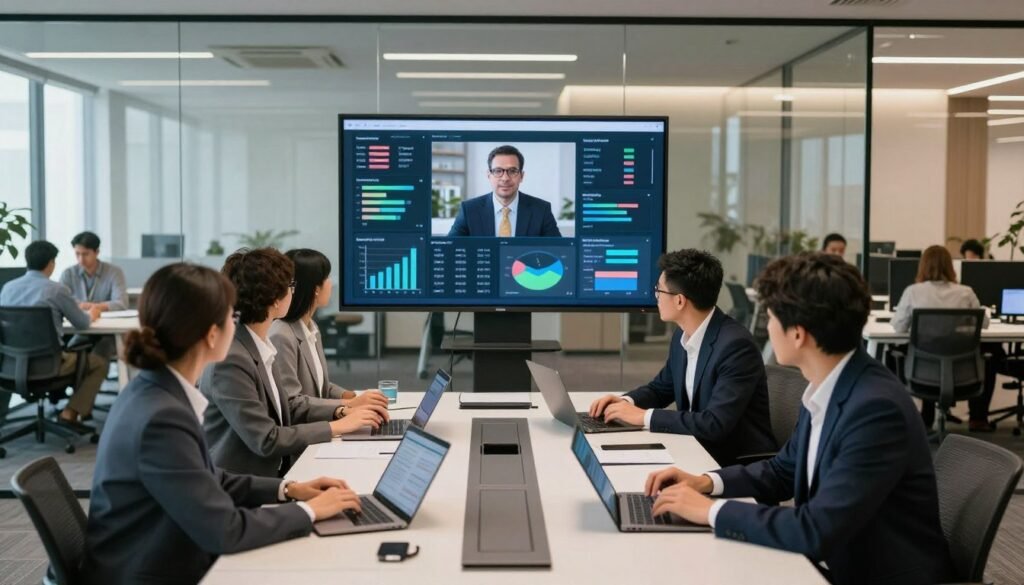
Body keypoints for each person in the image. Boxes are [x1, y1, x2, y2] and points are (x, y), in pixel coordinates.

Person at [643, 253, 955, 585]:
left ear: (798, 334)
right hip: (830, 559)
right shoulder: (830, 383)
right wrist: (704, 482)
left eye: (771, 317)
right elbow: (782, 471)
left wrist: (709, 511)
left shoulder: (875, 409)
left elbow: (815, 529)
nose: (766, 327)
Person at [82, 263, 364, 585]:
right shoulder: (163, 416)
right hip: (150, 569)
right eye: (232, 316)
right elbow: (225, 530)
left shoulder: (153, 390)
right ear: (212, 334)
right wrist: (310, 511)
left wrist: (289, 489)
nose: (238, 323)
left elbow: (207, 477)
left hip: (161, 547)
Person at [200, 248, 389, 477]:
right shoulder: (231, 360)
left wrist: (344, 409)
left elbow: (284, 415)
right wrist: (337, 423)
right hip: (244, 487)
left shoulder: (258, 346)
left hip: (274, 473)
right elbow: (267, 439)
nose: (293, 292)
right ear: (274, 300)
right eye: (289, 287)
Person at [588, 249, 775, 466]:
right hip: (694, 446)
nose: (655, 297)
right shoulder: (684, 333)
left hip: (732, 462)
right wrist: (625, 402)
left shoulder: (735, 346)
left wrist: (642, 416)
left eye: (659, 290)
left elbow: (714, 424)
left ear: (679, 301)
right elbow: (661, 388)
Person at [892, 244, 999, 432]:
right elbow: (983, 324)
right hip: (962, 373)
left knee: (895, 355)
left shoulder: (913, 292)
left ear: (922, 267)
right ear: (951, 267)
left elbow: (899, 326)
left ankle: (918, 418)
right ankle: (978, 418)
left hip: (922, 373)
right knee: (993, 352)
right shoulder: (965, 292)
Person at [0, 240, 107, 423]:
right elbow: (82, 324)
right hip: (50, 365)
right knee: (99, 363)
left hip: (10, 364)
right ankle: (70, 412)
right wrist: (92, 313)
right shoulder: (56, 290)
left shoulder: (7, 289)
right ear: (51, 263)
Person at [269, 248, 388, 408]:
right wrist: (347, 405)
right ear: (316, 289)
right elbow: (292, 403)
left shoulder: (311, 328)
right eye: (327, 278)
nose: (331, 283)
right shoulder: (281, 336)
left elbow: (319, 387)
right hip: (306, 429)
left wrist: (352, 397)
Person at [447, 145, 561, 237]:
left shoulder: (541, 210)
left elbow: (558, 252)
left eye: (512, 171)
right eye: (498, 171)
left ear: (521, 176)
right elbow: (449, 250)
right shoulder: (469, 210)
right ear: (489, 175)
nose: (505, 178)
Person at [59, 230, 128, 361]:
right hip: (76, 328)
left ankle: (93, 374)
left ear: (97, 252)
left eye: (85, 254)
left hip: (105, 330)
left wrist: (91, 307)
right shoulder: (68, 274)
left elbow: (121, 303)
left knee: (103, 348)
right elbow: (62, 302)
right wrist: (90, 307)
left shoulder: (114, 272)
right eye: (77, 254)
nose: (81, 259)